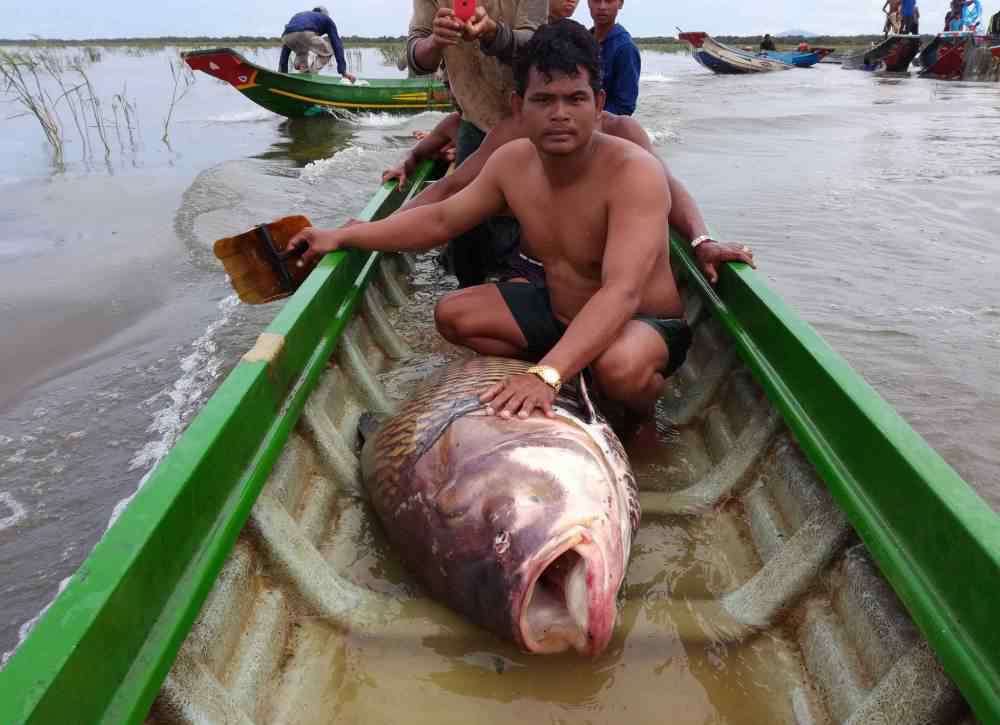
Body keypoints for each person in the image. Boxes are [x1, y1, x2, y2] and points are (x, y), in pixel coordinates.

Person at [290, 21, 755, 419]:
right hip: (561, 311)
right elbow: (439, 220)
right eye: (543, 99)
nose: (560, 115)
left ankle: (640, 416)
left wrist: (547, 375)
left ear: (598, 103)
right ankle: (574, 370)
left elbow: (622, 292)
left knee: (620, 368)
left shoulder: (633, 170)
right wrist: (346, 236)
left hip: (641, 323)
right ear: (519, 107)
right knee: (454, 315)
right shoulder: (512, 162)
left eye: (575, 99)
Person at [407, 0, 548, 288]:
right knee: (464, 234)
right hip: (475, 118)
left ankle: (517, 290)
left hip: (528, 123)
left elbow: (535, 44)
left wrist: (492, 32)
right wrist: (435, 41)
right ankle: (470, 289)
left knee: (518, 231)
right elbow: (417, 56)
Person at [588, 0, 640, 116]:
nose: (602, 7)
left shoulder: (625, 48)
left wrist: (589, 119)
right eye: (596, 1)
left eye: (609, 1)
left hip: (600, 124)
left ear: (620, 3)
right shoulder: (581, 41)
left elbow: (624, 106)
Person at [278, 6, 356, 81]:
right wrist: (343, 71)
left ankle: (303, 73)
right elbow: (337, 44)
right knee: (328, 51)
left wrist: (282, 72)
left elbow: (285, 50)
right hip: (304, 34)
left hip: (286, 37)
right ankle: (311, 73)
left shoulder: (302, 17)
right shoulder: (327, 19)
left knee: (302, 53)